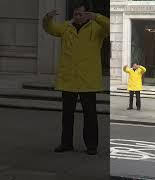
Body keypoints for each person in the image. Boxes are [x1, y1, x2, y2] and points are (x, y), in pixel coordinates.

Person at [42, 0, 109, 155]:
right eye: (75, 14)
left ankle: (91, 146)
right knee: (67, 115)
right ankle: (66, 143)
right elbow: (50, 28)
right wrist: (47, 18)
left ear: (87, 14)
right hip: (68, 79)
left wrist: (97, 16)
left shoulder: (97, 28)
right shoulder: (66, 27)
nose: (78, 16)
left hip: (88, 80)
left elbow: (111, 26)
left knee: (90, 115)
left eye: (81, 13)